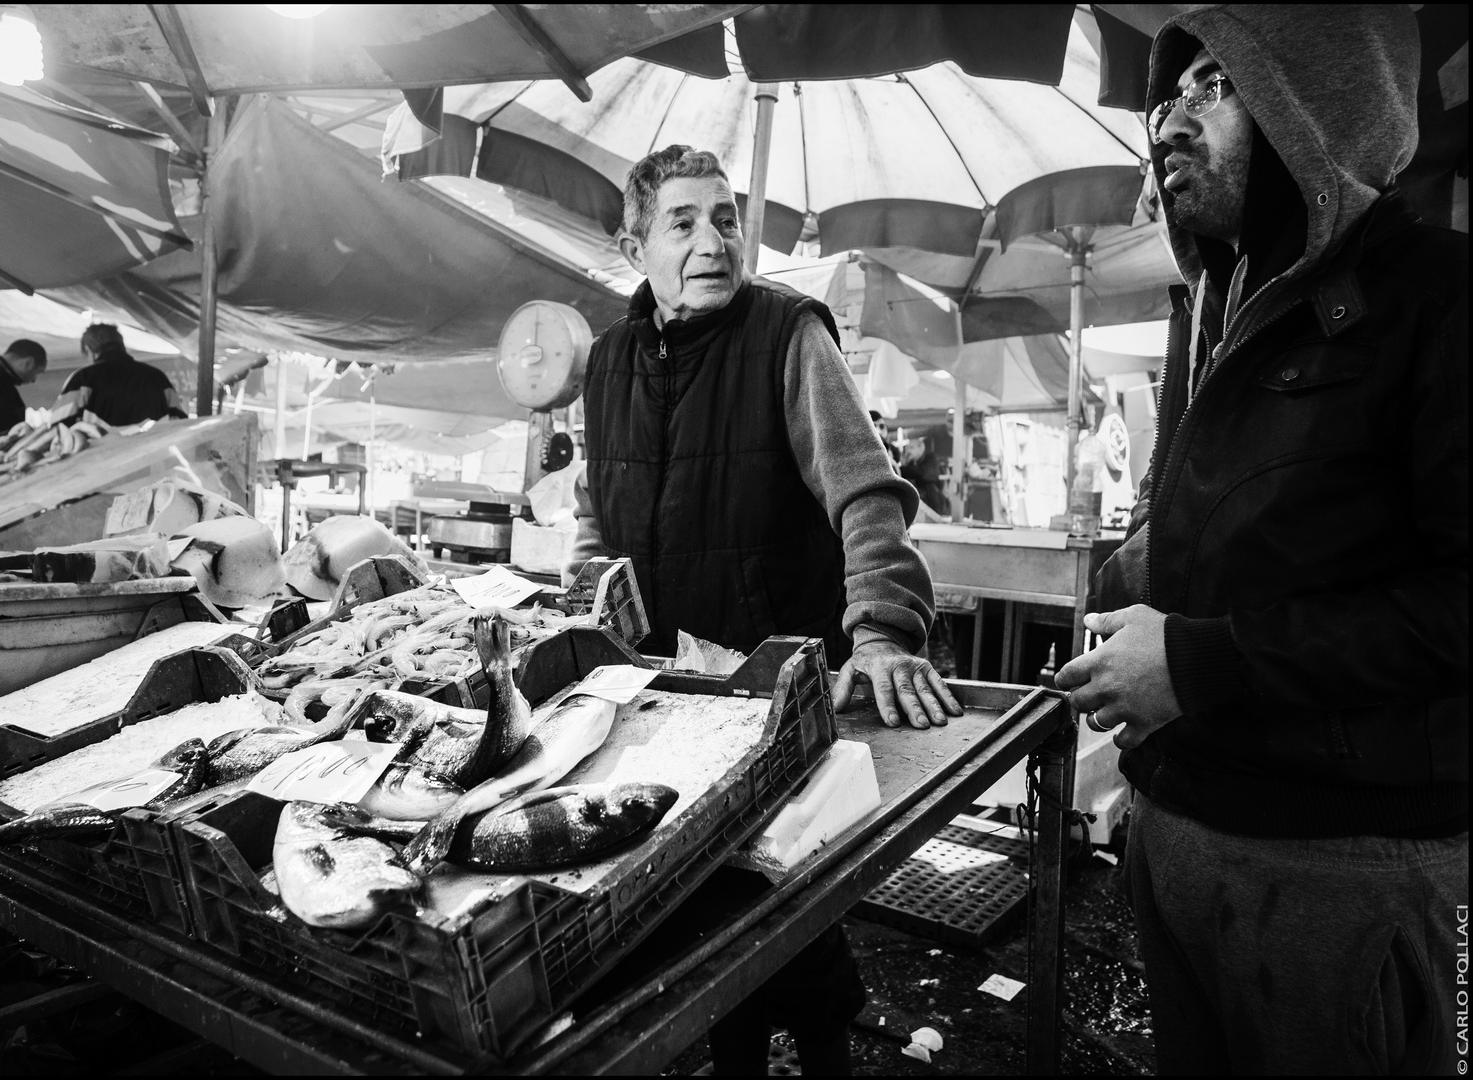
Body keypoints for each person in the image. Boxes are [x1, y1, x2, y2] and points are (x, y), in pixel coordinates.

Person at [1055, 7, 1466, 1074]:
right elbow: (1273, 533)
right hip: (1180, 832)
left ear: (1309, 103)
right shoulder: (1211, 310)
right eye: (1165, 91)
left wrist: (1197, 660)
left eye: (1212, 83)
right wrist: (1146, 558)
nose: (1165, 119)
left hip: (1349, 874)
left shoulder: (1440, 299)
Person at [567, 144, 961, 1075]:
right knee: (696, 899)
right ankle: (739, 1050)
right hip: (664, 692)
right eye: (685, 222)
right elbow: (595, 512)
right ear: (635, 248)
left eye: (728, 218)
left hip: (777, 684)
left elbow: (865, 491)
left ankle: (825, 1050)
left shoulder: (789, 333)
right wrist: (582, 608)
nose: (715, 240)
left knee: (787, 890)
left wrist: (882, 630)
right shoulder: (609, 362)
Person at [57, 323, 186, 427]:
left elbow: (60, 425)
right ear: (122, 345)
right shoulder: (158, 378)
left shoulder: (82, 379)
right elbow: (179, 422)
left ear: (88, 349)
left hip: (102, 457)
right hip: (152, 456)